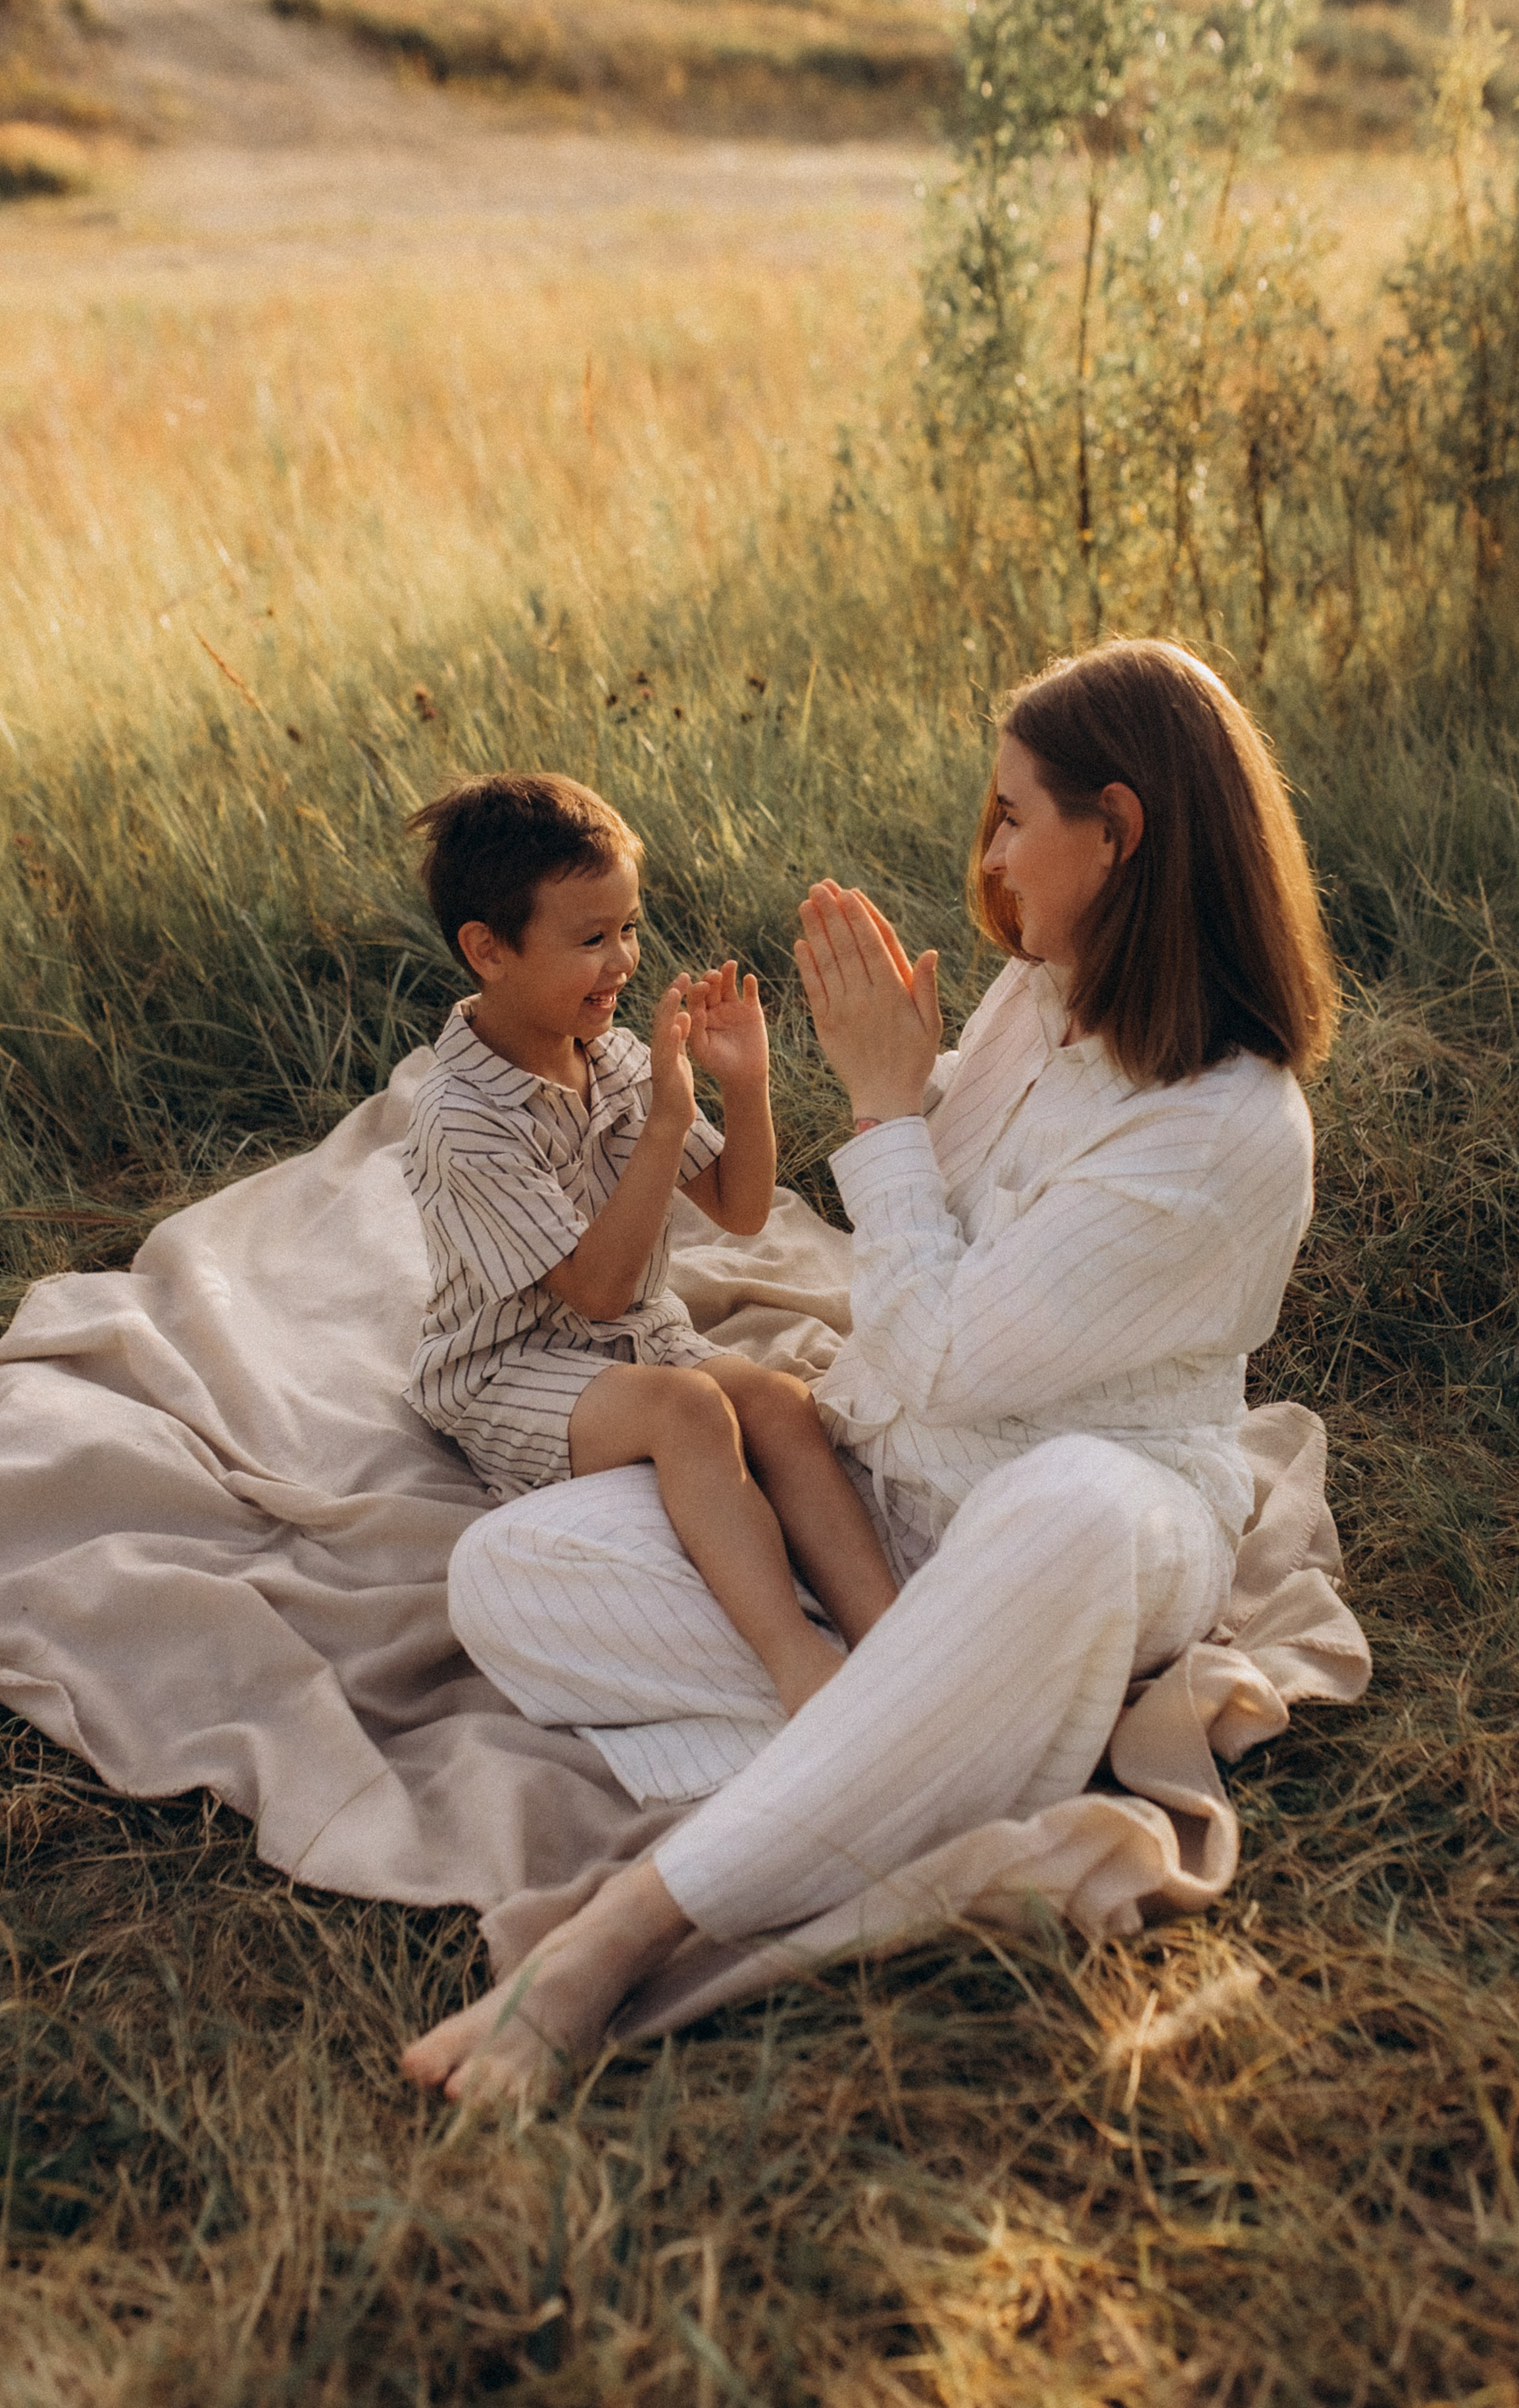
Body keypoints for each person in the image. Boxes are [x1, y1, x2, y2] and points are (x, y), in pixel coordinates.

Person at [401, 643, 1339, 2102]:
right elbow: (909, 1283)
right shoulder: (1039, 998)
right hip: (888, 1513)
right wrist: (908, 1097)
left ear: (1120, 828)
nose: (989, 855)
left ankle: (623, 1932)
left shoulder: (1225, 1129)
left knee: (1067, 1505)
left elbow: (944, 1355)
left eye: (1013, 817)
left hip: (1087, 1517)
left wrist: (888, 1108)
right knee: (505, 1574)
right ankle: (930, 1738)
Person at [400, 773, 899, 1724]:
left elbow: (744, 1209)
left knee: (778, 1401)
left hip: (636, 1337)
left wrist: (741, 1086)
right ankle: (799, 1665)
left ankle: (891, 1633)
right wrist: (669, 1118)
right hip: (511, 1366)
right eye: (590, 939)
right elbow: (592, 1292)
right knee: (689, 1411)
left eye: (629, 928)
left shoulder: (620, 1060)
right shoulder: (461, 1119)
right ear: (487, 950)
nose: (622, 960)